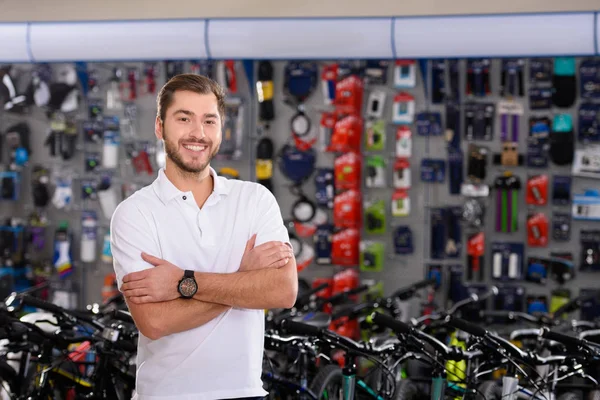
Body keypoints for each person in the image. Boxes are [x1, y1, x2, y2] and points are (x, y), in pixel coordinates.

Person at [110, 73, 298, 400]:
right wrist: (243, 278)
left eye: (209, 121)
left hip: (245, 392)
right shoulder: (135, 214)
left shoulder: (255, 200)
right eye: (184, 118)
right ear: (159, 126)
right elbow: (154, 322)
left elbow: (282, 291)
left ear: (221, 129)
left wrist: (183, 282)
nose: (198, 133)